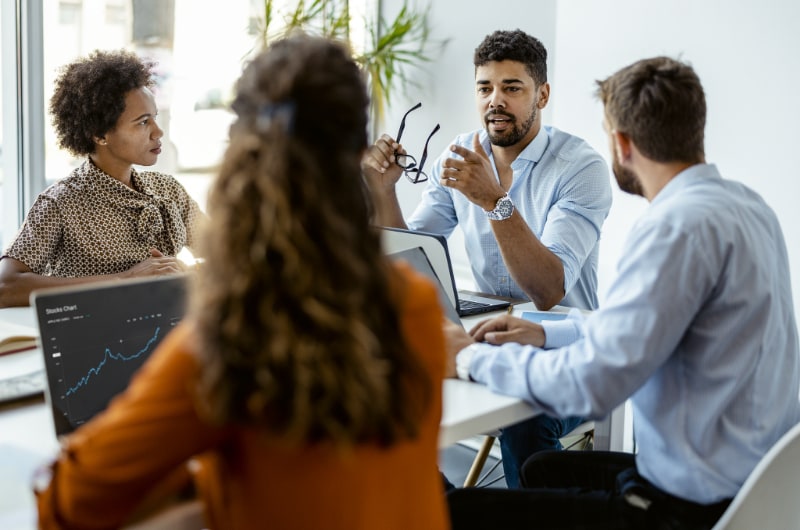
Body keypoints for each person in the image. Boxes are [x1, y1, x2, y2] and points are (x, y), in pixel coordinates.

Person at [34, 35, 450, 530]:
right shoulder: (417, 303)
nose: (155, 131)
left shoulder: (228, 340)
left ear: (241, 153)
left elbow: (68, 502)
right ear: (359, 150)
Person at [444, 56, 800, 529]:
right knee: (540, 469)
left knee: (452, 508)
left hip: (683, 509)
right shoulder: (748, 207)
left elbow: (590, 386)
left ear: (623, 143)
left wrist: (468, 360)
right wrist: (546, 335)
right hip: (751, 484)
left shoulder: (675, 229)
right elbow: (642, 328)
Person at [363, 28, 612, 488]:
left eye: (512, 88)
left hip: (567, 347)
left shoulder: (581, 168)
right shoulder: (458, 156)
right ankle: (439, 502)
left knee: (524, 421)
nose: (495, 100)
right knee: (387, 383)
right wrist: (384, 192)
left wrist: (494, 201)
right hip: (487, 335)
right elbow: (412, 254)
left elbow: (548, 289)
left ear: (543, 94)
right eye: (485, 88)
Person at [0, 49, 203, 308]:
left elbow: (227, 256)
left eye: (155, 118)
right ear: (100, 134)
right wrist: (124, 279)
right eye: (142, 122)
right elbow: (5, 287)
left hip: (166, 330)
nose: (158, 131)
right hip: (95, 340)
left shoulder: (169, 190)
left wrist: (190, 273)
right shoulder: (61, 203)